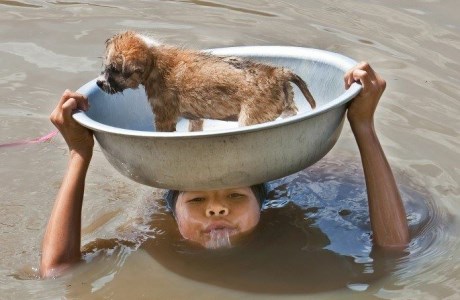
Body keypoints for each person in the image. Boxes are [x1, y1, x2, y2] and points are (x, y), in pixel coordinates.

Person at [40, 62, 409, 278]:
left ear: (263, 203)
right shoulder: (150, 236)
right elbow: (57, 271)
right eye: (197, 199)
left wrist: (364, 126)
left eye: (235, 195)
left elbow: (393, 250)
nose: (217, 209)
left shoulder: (296, 223)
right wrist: (79, 155)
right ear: (173, 212)